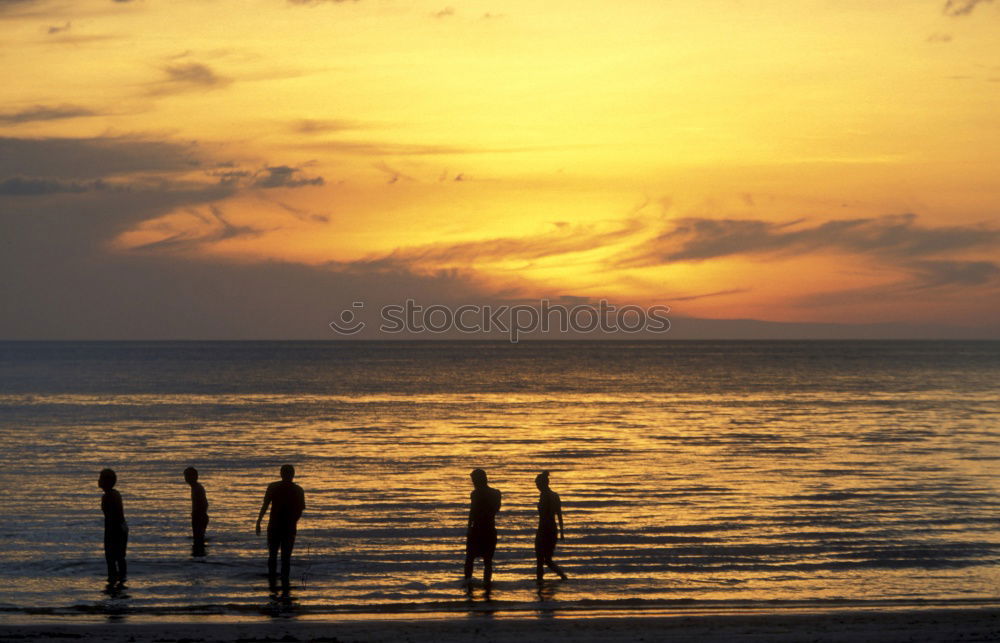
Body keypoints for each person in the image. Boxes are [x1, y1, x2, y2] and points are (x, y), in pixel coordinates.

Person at [255, 464, 305, 585]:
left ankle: (272, 582)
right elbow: (300, 510)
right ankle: (284, 582)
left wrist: (259, 521)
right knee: (285, 557)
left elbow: (265, 505)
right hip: (287, 528)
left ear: (281, 474)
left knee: (273, 555)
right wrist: (292, 522)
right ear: (293, 475)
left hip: (274, 526)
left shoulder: (273, 487)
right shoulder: (298, 490)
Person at [464, 468, 502, 585]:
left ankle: (469, 584)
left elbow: (473, 512)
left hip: (480, 530)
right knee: (486, 561)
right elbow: (495, 509)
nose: (473, 483)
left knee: (471, 559)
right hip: (487, 529)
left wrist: (469, 528)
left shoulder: (476, 494)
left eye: (474, 480)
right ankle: (485, 584)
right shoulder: (495, 493)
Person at [534, 471, 567, 582]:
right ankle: (562, 576)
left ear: (543, 484)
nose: (537, 486)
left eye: (537, 484)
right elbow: (559, 514)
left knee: (540, 559)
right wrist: (562, 532)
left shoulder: (545, 496)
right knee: (547, 559)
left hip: (544, 529)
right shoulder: (555, 495)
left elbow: (545, 515)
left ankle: (540, 581)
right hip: (553, 529)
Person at [98, 468, 128, 585]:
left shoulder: (109, 496)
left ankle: (114, 580)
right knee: (119, 557)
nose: (98, 481)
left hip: (115, 530)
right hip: (120, 528)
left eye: (101, 478)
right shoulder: (115, 494)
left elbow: (111, 517)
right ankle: (121, 580)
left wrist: (109, 535)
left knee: (112, 558)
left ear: (107, 481)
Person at [184, 467, 209, 555]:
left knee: (198, 540)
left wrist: (197, 513)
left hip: (200, 516)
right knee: (198, 540)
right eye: (185, 476)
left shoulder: (197, 488)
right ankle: (198, 557)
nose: (186, 479)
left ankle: (199, 557)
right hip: (199, 515)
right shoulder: (195, 487)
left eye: (187, 476)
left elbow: (204, 503)